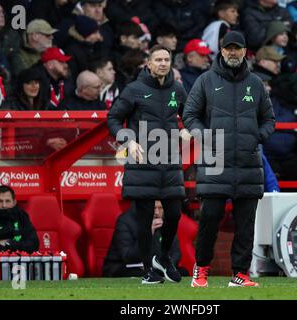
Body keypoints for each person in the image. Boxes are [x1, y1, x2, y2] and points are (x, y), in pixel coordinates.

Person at [183, 31, 275, 287]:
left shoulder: (256, 83)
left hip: (248, 163)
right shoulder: (205, 81)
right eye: (228, 49)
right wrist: (204, 136)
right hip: (215, 161)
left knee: (245, 225)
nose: (233, 53)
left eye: (237, 48)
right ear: (221, 51)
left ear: (245, 51)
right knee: (209, 220)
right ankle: (201, 269)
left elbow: (270, 119)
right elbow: (190, 115)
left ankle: (240, 274)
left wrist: (258, 136)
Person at [108, 45, 187, 285]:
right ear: (149, 64)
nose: (163, 63)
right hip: (141, 160)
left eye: (166, 59)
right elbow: (113, 117)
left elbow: (192, 115)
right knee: (143, 219)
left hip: (170, 162)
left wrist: (189, 130)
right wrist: (128, 140)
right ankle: (147, 271)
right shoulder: (134, 89)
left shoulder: (179, 89)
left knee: (174, 213)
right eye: (158, 60)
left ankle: (162, 258)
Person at [103, 200, 186, 277]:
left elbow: (176, 253)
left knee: (183, 272)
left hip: (156, 267)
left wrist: (166, 266)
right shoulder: (125, 221)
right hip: (125, 267)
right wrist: (147, 233)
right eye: (154, 208)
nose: (157, 212)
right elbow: (128, 256)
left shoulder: (166, 221)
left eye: (160, 208)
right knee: (144, 273)